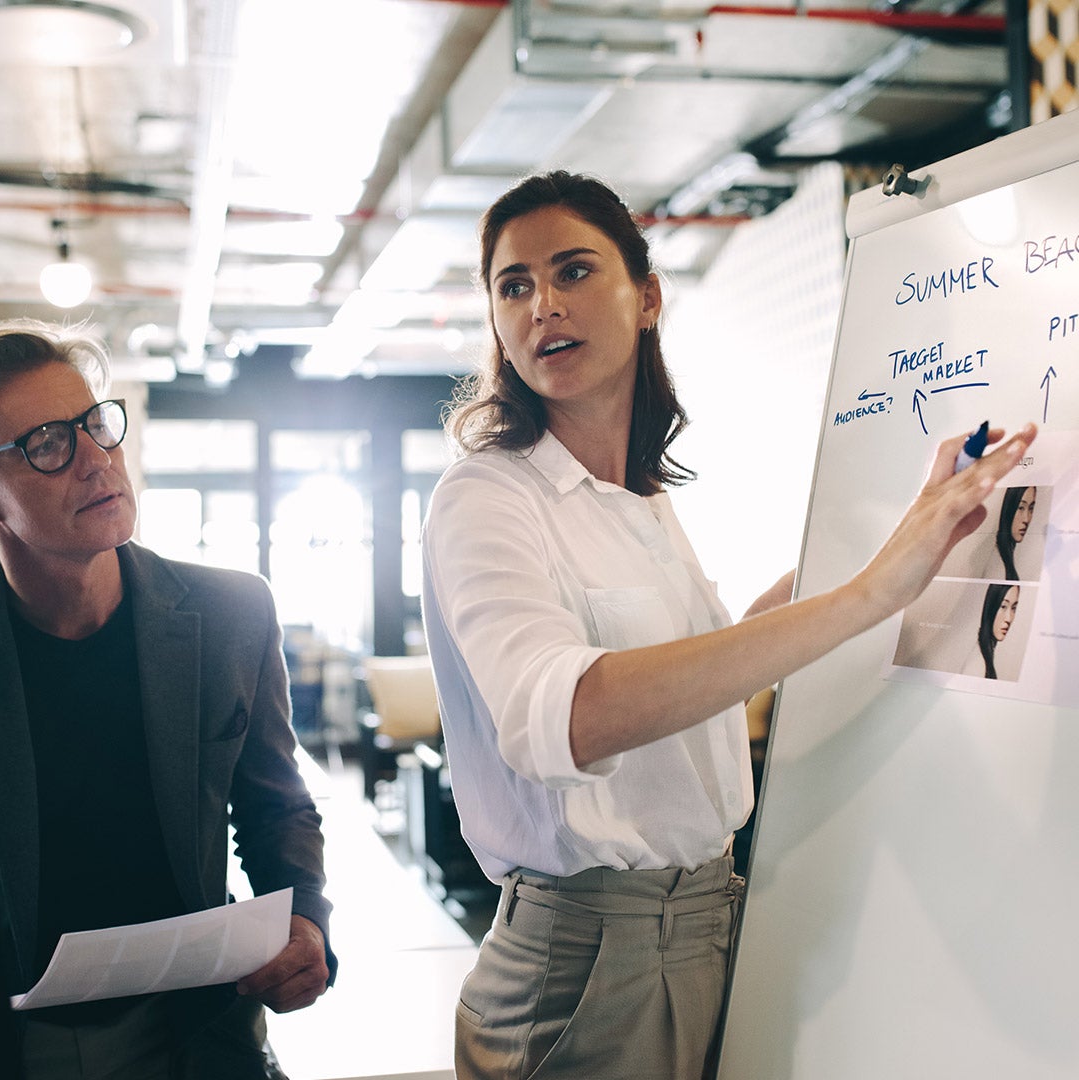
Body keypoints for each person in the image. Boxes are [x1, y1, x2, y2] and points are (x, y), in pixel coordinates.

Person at [420, 170, 1038, 1080]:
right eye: (515, 286)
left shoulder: (641, 501)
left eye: (575, 271)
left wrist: (891, 542)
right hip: (589, 962)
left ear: (647, 299)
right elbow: (563, 717)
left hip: (711, 921)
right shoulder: (484, 496)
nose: (544, 303)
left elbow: (707, 680)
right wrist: (866, 594)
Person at [0, 319, 336, 1079]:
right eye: (48, 443)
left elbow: (276, 806)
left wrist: (307, 917)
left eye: (95, 425)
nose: (95, 461)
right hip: (22, 1041)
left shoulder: (230, 615)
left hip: (200, 1026)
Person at [974, 582, 1021, 679]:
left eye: (1014, 608)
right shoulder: (978, 664)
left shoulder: (989, 653)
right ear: (991, 605)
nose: (1008, 618)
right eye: (1003, 606)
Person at [995, 484, 1036, 580]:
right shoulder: (998, 566)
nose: (1026, 519)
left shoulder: (1008, 557)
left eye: (1031, 508)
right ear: (1009, 508)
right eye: (1021, 507)